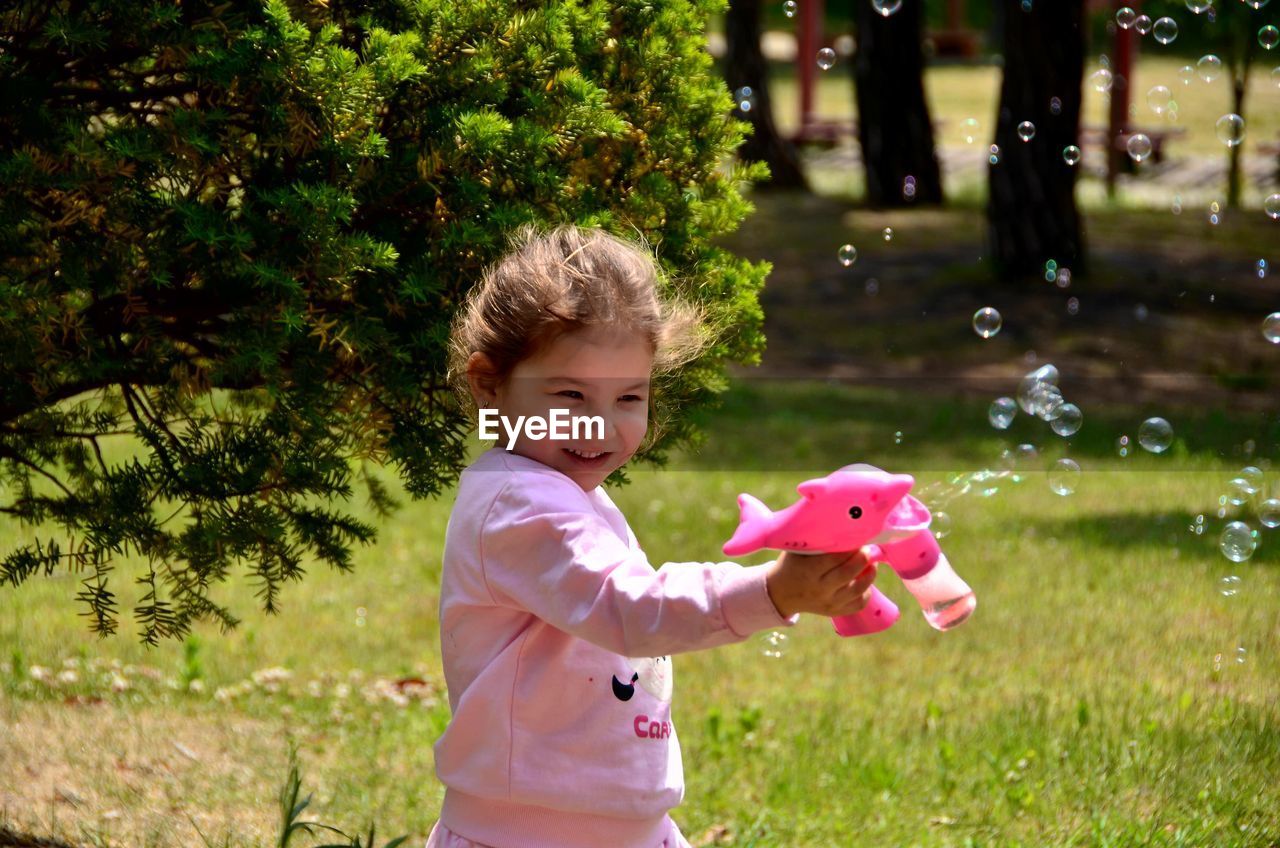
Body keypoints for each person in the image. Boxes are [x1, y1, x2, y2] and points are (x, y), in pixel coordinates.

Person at [426, 224, 879, 848]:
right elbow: (631, 609)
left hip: (623, 827)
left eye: (628, 397)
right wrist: (771, 591)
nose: (601, 425)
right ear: (489, 386)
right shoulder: (518, 507)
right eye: (569, 394)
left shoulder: (567, 494)